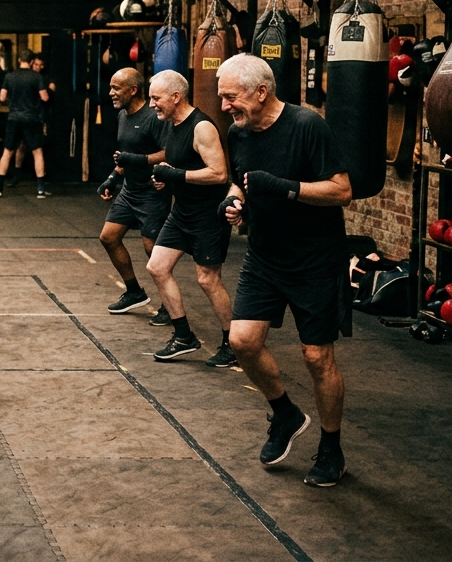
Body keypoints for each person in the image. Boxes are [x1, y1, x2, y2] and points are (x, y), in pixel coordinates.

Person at [219, 54, 352, 488]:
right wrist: (234, 201)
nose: (225, 107)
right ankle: (285, 414)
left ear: (262, 91)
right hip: (264, 257)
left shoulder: (306, 126)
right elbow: (241, 180)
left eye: (231, 97)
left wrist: (286, 188)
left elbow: (342, 190)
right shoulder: (239, 132)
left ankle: (331, 447)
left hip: (315, 260)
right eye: (222, 98)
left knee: (317, 358)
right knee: (241, 341)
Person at [144, 70, 235, 367]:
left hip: (207, 216)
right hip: (181, 212)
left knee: (208, 279)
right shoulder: (171, 124)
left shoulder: (202, 127)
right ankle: (184, 336)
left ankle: (232, 343)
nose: (152, 104)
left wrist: (176, 175)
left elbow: (220, 173)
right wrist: (167, 177)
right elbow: (179, 162)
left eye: (156, 98)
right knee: (157, 267)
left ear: (175, 97)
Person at [98, 68, 171, 319]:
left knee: (153, 251)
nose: (111, 93)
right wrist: (112, 178)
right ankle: (134, 292)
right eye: (111, 87)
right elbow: (124, 156)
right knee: (108, 237)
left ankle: (169, 305)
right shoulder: (122, 116)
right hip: (129, 190)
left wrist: (138, 160)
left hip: (152, 192)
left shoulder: (153, 118)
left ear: (133, 90)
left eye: (116, 88)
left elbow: (168, 153)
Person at [0, 50, 49, 198]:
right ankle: (40, 189)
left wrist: (13, 102)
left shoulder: (9, 76)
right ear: (31, 62)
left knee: (7, 152)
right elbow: (44, 97)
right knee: (37, 153)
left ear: (19, 59)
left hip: (14, 118)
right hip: (32, 118)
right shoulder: (37, 77)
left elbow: (2, 97)